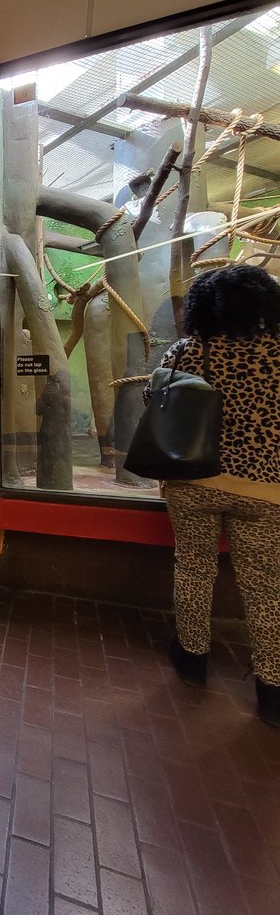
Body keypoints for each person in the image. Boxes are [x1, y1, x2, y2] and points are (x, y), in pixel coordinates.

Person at [154, 265, 280, 727]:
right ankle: (272, 689)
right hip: (265, 488)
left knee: (193, 567)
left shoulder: (190, 350)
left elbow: (157, 401)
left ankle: (192, 659)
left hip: (195, 480)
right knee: (267, 587)